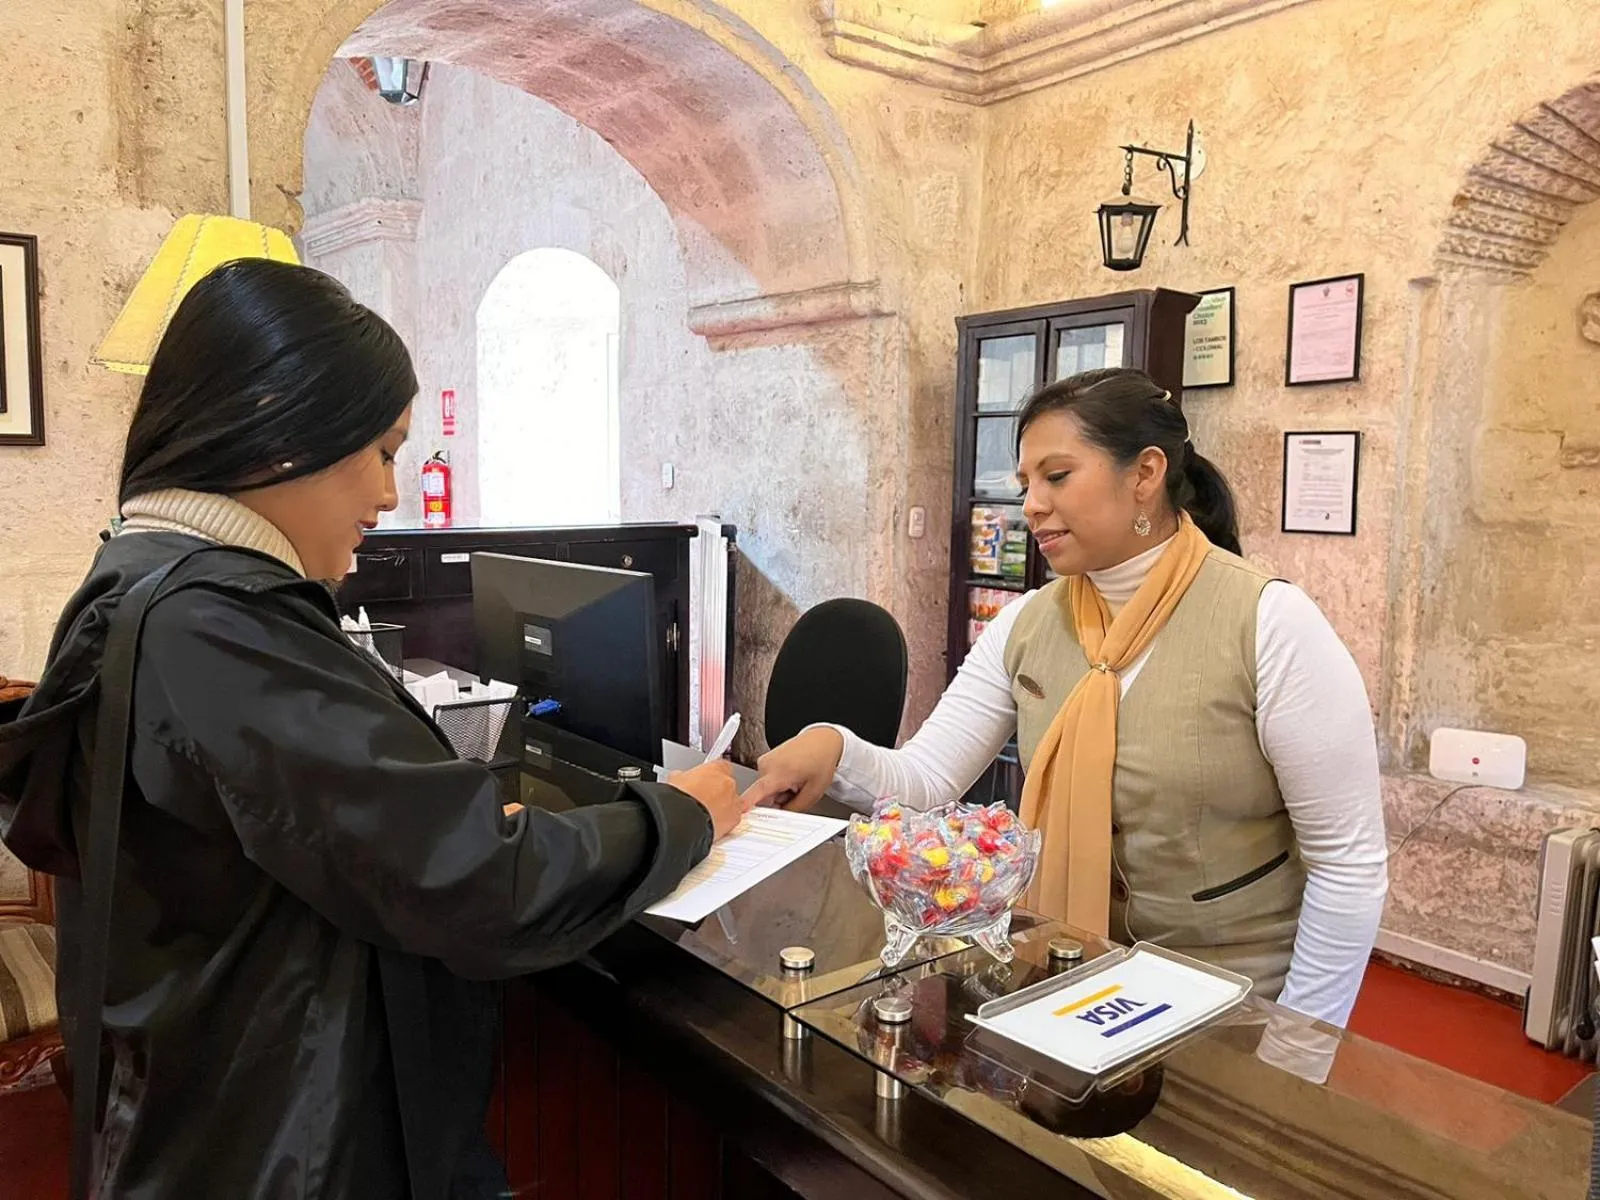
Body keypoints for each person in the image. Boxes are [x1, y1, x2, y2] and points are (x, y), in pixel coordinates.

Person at [0, 259, 750, 1198]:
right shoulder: (218, 631)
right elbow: (474, 876)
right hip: (286, 1147)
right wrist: (679, 816)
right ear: (281, 426)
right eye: (384, 451)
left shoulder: (141, 579)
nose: (392, 495)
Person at [750, 368, 1388, 1027]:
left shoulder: (1269, 624)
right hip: (1067, 975)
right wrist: (835, 747)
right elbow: (928, 778)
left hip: (1229, 1004)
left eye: (1057, 477)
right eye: (1026, 484)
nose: (1030, 505)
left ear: (1144, 474)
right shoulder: (1028, 624)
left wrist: (1303, 1043)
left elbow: (1348, 867)